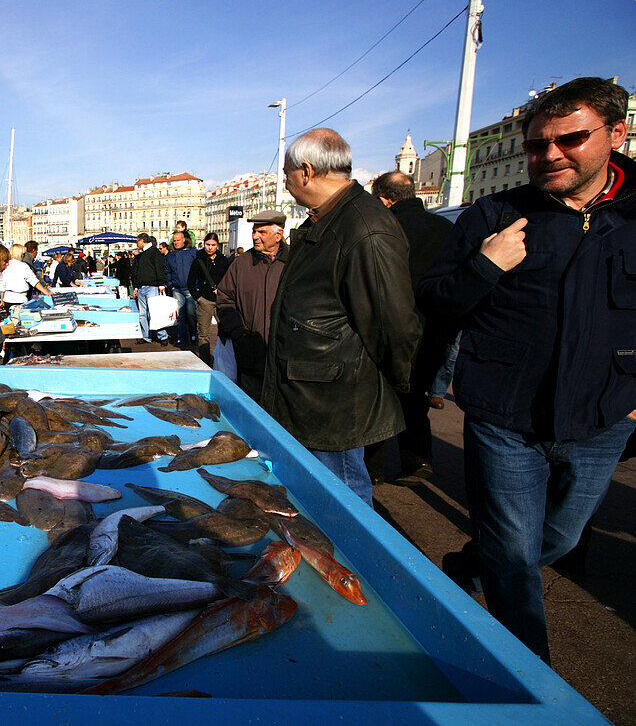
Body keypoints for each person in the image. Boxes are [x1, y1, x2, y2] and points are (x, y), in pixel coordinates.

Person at [417, 76, 636, 663]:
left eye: (571, 139)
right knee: (515, 563)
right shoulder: (494, 213)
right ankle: (530, 685)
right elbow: (436, 300)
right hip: (504, 416)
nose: (550, 155)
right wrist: (485, 266)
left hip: (602, 417)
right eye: (538, 145)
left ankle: (468, 562)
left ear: (616, 134)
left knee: (556, 539)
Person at [260, 128, 421, 507]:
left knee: (341, 507)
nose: (286, 182)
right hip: (313, 396)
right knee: (314, 500)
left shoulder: (364, 229)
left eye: (286, 174)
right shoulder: (328, 220)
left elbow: (396, 328)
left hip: (334, 406)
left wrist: (385, 391)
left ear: (306, 171)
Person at [363, 171, 454, 486]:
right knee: (417, 397)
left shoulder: (384, 228)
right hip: (434, 330)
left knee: (380, 398)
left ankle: (372, 468)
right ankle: (416, 459)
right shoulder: (445, 228)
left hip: (390, 330)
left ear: (383, 199)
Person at [215, 212, 289, 399]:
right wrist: (239, 333)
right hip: (250, 354)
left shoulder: (294, 262)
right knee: (250, 408)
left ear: (278, 235)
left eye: (262, 232)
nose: (255, 236)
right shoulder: (242, 263)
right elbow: (224, 299)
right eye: (254, 231)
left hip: (286, 357)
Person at [187, 232, 231, 364]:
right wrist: (198, 298)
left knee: (225, 331)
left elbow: (229, 279)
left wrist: (224, 292)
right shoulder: (198, 260)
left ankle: (224, 360)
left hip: (221, 300)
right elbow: (190, 282)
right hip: (204, 300)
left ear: (217, 245)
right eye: (207, 244)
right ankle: (205, 361)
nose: (210, 247)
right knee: (203, 333)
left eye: (213, 245)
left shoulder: (223, 261)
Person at [131, 233, 168, 345]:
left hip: (152, 286)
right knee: (143, 313)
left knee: (154, 312)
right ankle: (146, 336)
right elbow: (138, 272)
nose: (137, 244)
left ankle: (162, 336)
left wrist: (161, 284)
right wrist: (137, 286)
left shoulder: (154, 252)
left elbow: (159, 268)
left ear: (143, 241)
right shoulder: (142, 255)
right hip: (143, 287)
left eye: (138, 241)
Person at [164, 229, 197, 348]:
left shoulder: (193, 252)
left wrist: (196, 285)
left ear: (184, 240)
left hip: (190, 289)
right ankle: (181, 337)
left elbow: (198, 269)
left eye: (178, 240)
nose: (176, 242)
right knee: (180, 315)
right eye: (174, 241)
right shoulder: (170, 255)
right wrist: (171, 285)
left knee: (191, 314)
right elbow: (167, 271)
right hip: (177, 289)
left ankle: (193, 334)